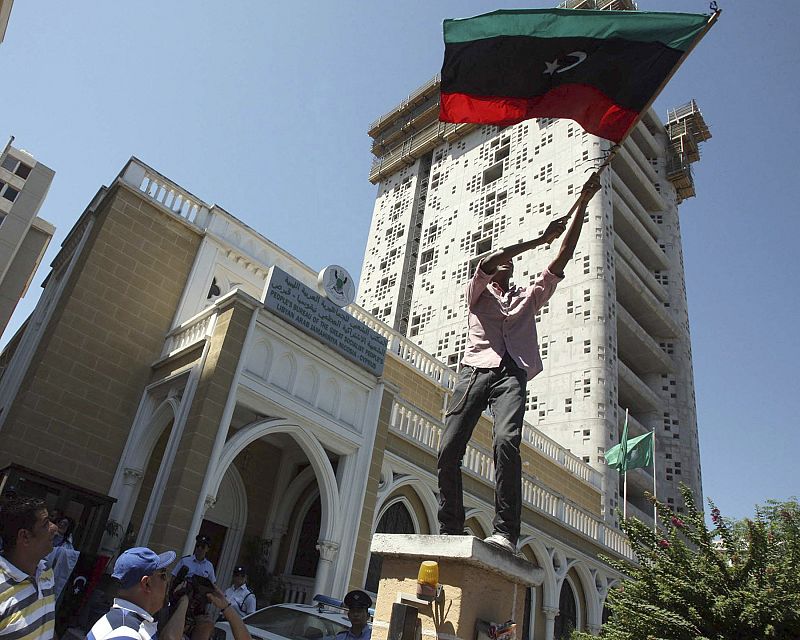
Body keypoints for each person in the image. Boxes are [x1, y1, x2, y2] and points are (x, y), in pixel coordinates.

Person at [437, 172, 602, 554]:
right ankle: (451, 526)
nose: (505, 265)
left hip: (511, 373)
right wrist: (537, 240)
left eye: (509, 262)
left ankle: (506, 531)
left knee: (507, 441)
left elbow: (563, 258)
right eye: (501, 261)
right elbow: (489, 260)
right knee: (449, 448)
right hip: (474, 371)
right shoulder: (476, 292)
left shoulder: (529, 295)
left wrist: (584, 201)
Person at [87, 546, 190, 640]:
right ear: (146, 584)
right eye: (163, 575)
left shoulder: (126, 621)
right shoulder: (126, 632)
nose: (167, 581)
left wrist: (183, 602)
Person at [0, 496, 58, 640]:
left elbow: (46, 622)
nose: (54, 528)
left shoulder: (45, 571)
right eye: (46, 524)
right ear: (25, 536)